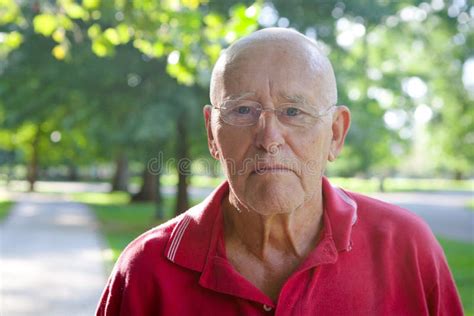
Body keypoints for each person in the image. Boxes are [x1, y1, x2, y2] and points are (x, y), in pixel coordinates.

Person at [96, 28, 463, 315]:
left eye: (293, 112)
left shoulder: (406, 249)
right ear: (211, 133)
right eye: (242, 110)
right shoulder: (146, 270)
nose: (268, 138)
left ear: (335, 133)